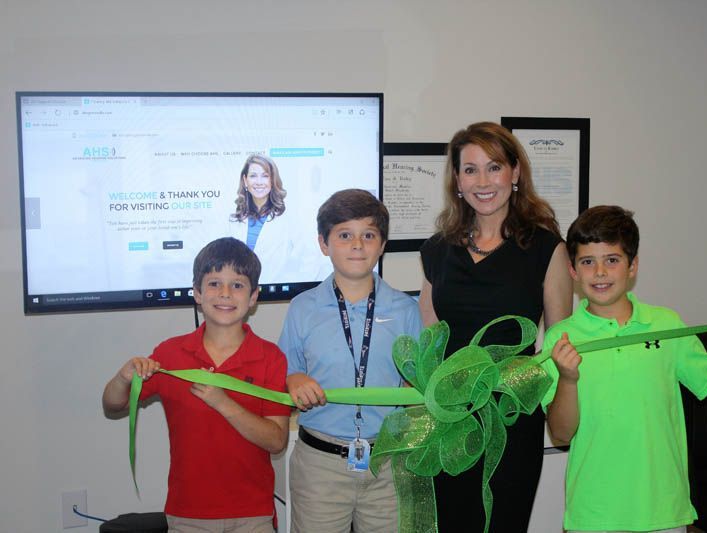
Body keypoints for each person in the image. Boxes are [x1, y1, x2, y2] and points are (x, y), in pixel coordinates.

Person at [542, 205, 707, 533]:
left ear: (633, 266)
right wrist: (568, 379)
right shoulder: (561, 339)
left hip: (665, 510)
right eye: (588, 262)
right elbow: (561, 433)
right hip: (595, 513)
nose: (600, 272)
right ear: (573, 271)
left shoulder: (665, 324)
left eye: (612, 260)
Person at [419, 121, 573, 531]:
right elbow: (430, 344)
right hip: (450, 420)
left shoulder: (546, 248)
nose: (482, 181)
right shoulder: (437, 250)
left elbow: (560, 347)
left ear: (515, 173)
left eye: (494, 167)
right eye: (470, 170)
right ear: (456, 180)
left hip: (511, 419)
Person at [102, 237, 290, 532]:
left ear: (253, 297)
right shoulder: (170, 353)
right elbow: (113, 405)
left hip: (253, 513)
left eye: (237, 285)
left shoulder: (270, 357)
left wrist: (223, 403)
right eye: (214, 283)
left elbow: (277, 440)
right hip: (188, 514)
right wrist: (123, 377)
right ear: (197, 293)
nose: (225, 293)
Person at [278, 189, 423, 533]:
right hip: (320, 465)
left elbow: (419, 380)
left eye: (368, 235)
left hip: (388, 463)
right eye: (344, 235)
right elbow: (284, 371)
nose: (357, 244)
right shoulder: (303, 308)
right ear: (323, 244)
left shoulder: (406, 310)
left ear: (382, 244)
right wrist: (292, 378)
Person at [230, 154, 296, 283]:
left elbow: (305, 261)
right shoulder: (231, 219)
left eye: (265, 176)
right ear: (245, 180)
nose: (259, 182)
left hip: (273, 291)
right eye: (253, 176)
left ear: (272, 180)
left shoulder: (289, 218)